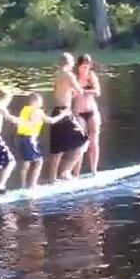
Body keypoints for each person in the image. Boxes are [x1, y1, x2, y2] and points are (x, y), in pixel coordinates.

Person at [49, 52, 89, 182]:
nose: (73, 64)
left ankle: (52, 178)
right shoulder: (69, 75)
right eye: (72, 62)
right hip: (65, 112)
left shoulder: (56, 75)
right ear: (68, 63)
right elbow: (79, 91)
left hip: (56, 111)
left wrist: (70, 92)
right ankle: (66, 172)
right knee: (84, 140)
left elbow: (57, 90)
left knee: (57, 148)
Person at [16, 93, 70, 189]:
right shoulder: (37, 111)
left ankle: (23, 185)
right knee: (39, 162)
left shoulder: (24, 109)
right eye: (40, 101)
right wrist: (63, 115)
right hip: (30, 139)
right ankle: (33, 185)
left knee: (26, 162)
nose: (41, 103)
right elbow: (51, 121)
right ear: (35, 101)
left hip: (21, 138)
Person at [73, 54, 101, 176]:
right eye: (83, 67)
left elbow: (98, 92)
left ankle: (94, 170)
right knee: (80, 143)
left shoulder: (91, 76)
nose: (85, 69)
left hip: (92, 111)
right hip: (79, 112)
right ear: (78, 66)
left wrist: (88, 91)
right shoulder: (74, 77)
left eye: (87, 66)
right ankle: (76, 173)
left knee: (94, 142)